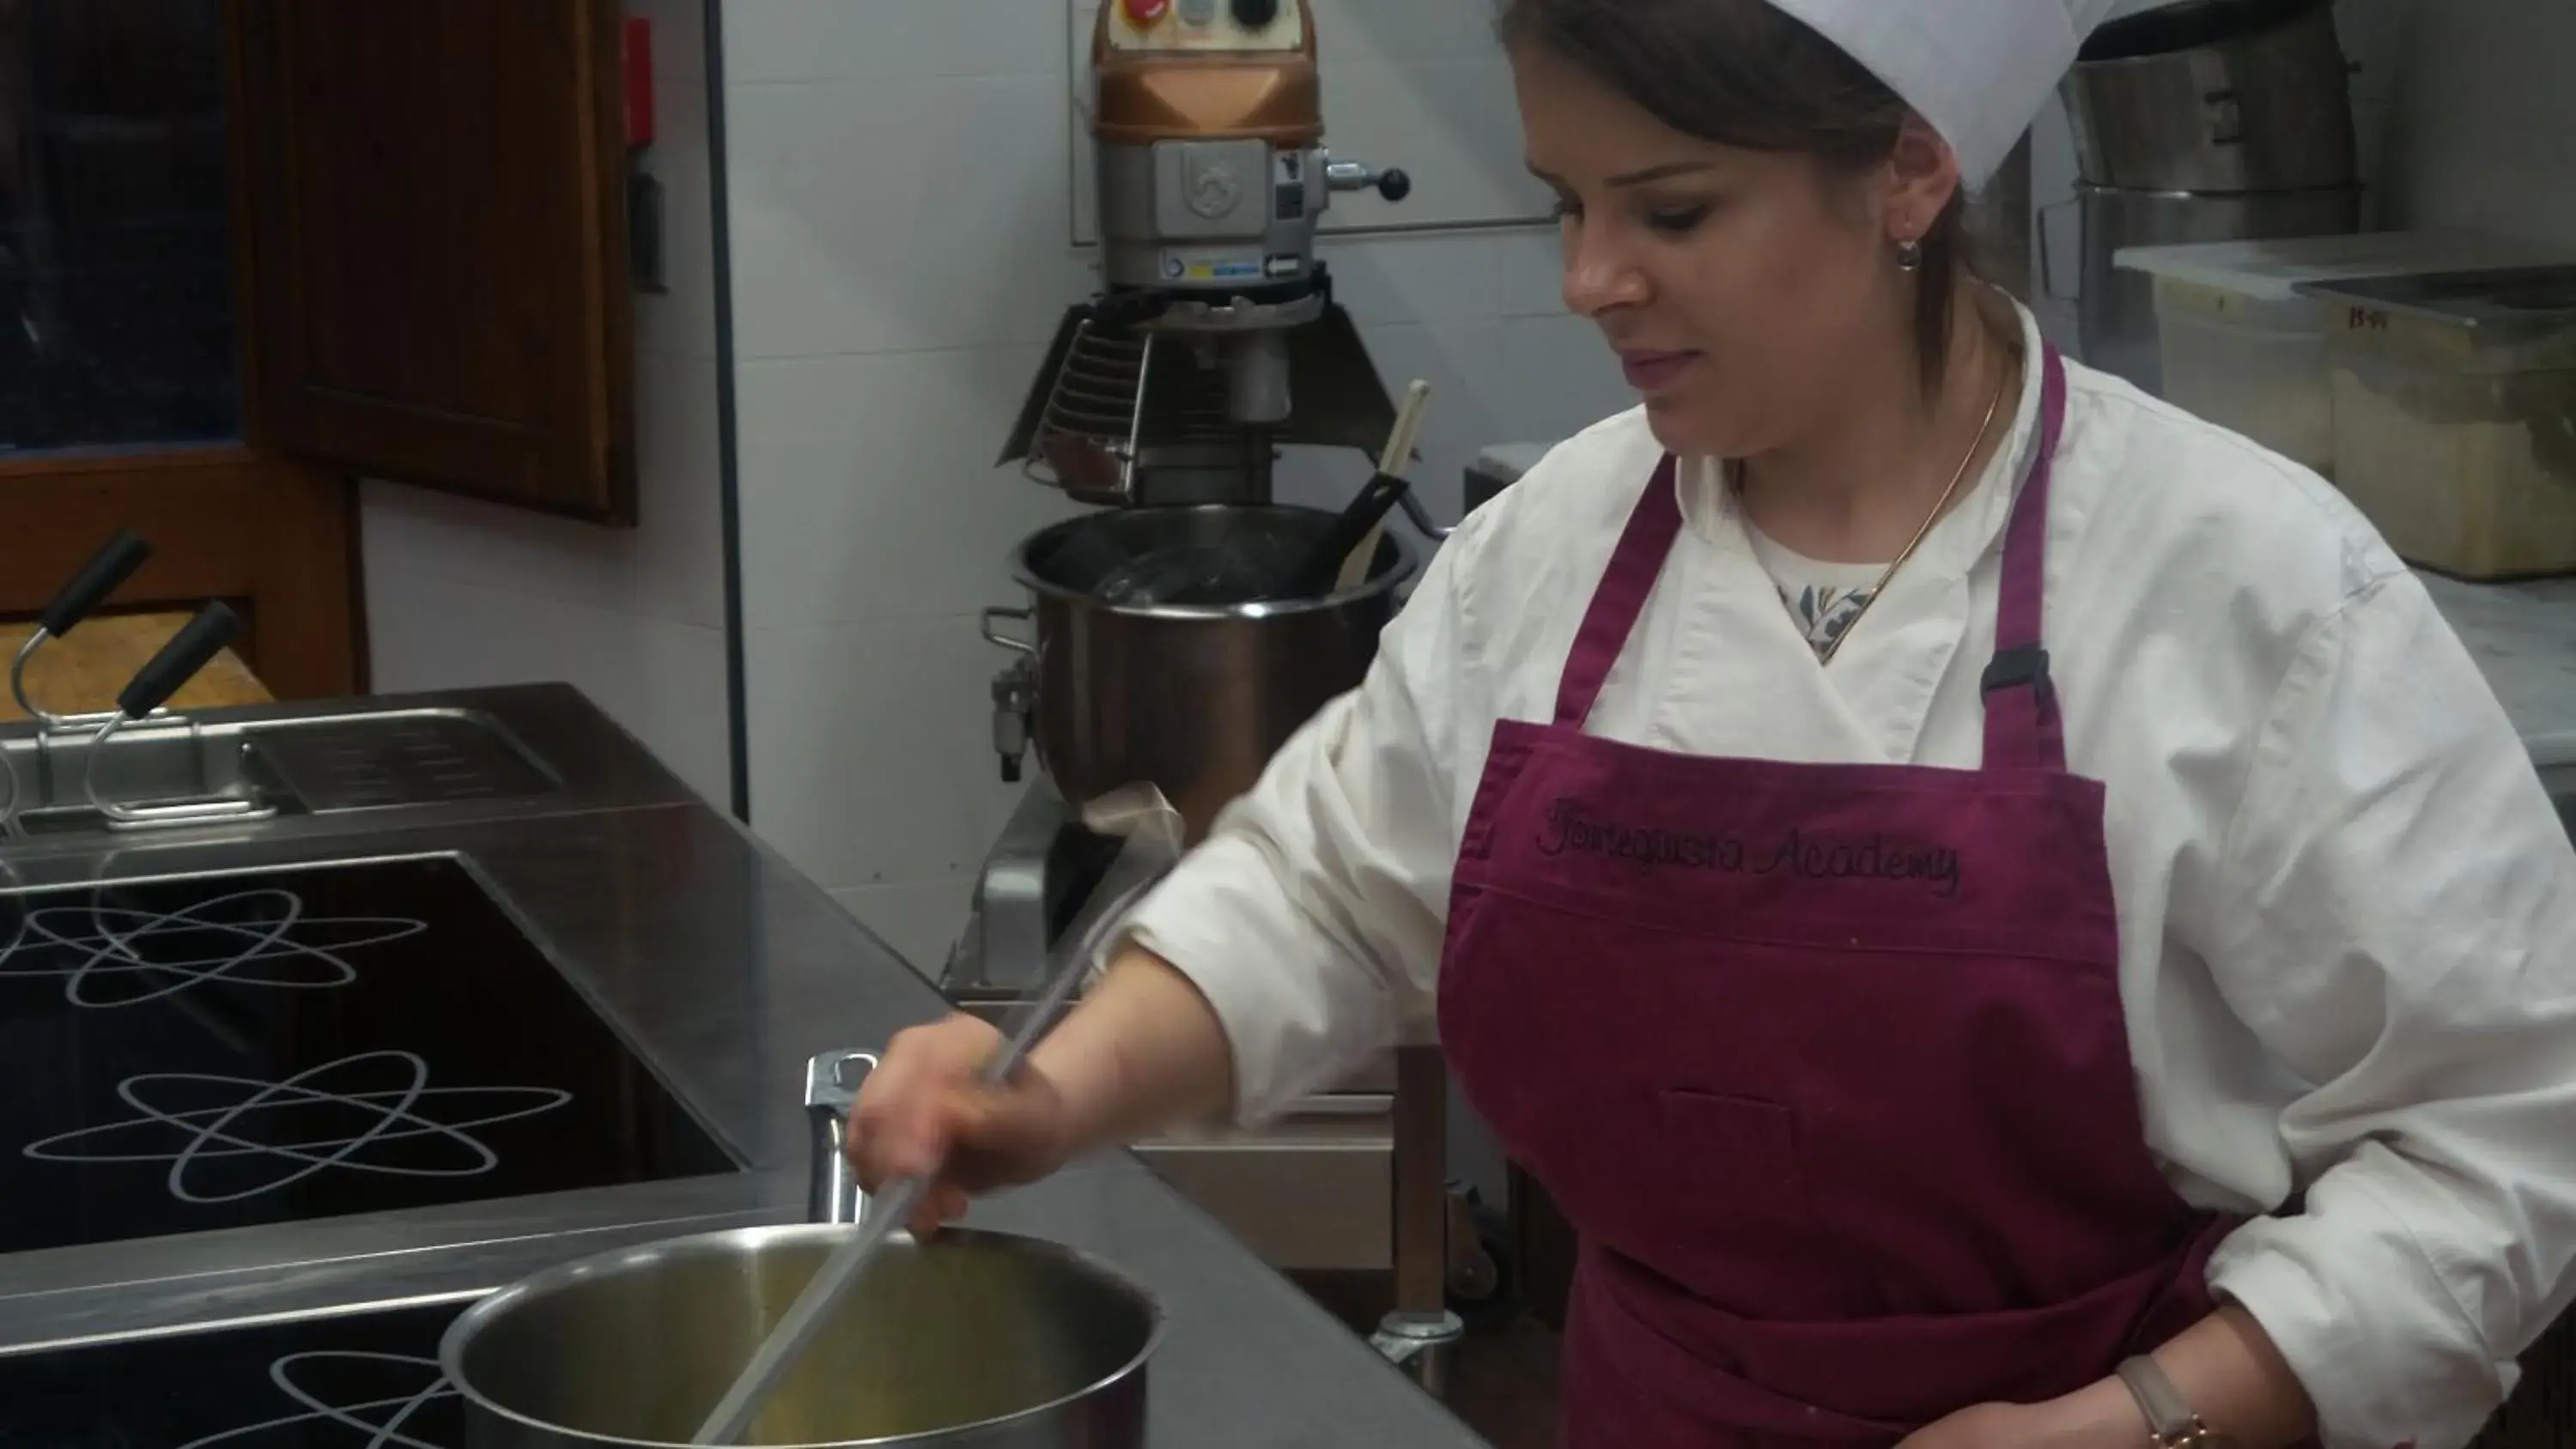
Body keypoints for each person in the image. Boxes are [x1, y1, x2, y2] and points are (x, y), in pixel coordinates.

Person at [853, 2, 2576, 1446]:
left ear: (1906, 168)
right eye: (1567, 203)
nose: (1592, 278)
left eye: (1670, 213)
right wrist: (1050, 1094)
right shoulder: (1554, 549)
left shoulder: (2245, 587)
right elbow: (1326, 893)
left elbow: (2510, 1127)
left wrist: (2150, 1416)